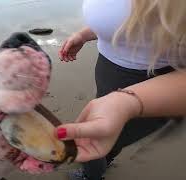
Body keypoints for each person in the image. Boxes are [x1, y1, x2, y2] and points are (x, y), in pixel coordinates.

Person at [57, 0, 186, 180]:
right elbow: (127, 21)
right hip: (108, 71)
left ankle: (91, 175)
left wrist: (126, 102)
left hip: (154, 84)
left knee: (98, 137)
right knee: (105, 130)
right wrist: (85, 34)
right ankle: (105, 159)